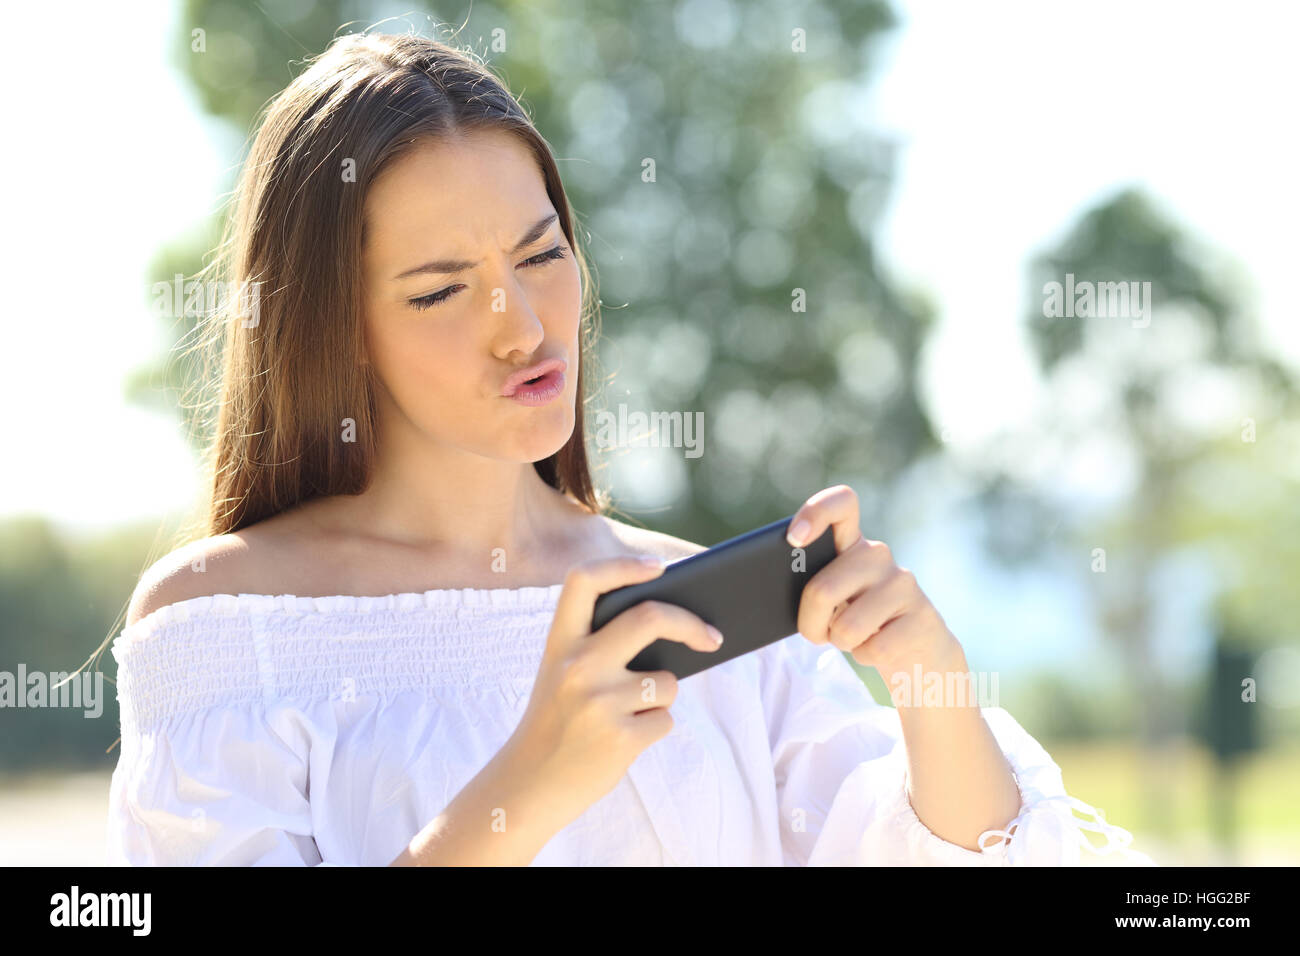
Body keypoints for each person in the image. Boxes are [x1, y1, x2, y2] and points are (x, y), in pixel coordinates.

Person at [107, 31, 1148, 866]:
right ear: (331, 326)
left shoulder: (694, 607)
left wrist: (931, 680)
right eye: (438, 290)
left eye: (541, 252)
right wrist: (528, 786)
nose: (521, 324)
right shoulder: (229, 629)